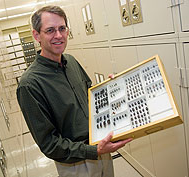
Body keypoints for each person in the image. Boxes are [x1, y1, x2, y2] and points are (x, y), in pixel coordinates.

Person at [16, 5, 132, 177]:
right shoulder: (29, 85)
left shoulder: (71, 61)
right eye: (50, 30)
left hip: (101, 147)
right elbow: (49, 144)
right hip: (76, 165)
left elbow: (91, 99)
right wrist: (93, 150)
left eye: (62, 28)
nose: (58, 35)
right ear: (36, 35)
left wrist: (112, 91)